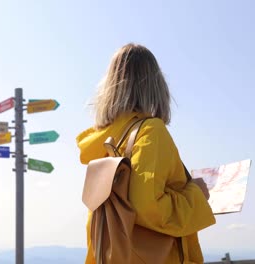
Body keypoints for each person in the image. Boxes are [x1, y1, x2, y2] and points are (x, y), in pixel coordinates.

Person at [76, 43, 216, 263]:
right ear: (155, 84)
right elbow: (147, 205)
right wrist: (196, 194)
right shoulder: (150, 130)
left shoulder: (104, 143)